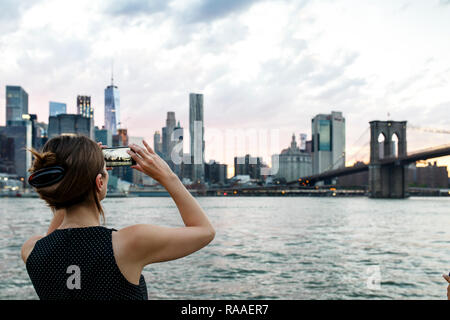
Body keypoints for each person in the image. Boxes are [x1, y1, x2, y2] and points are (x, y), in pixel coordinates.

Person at [21, 134, 215, 300]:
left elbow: (55, 237)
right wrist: (167, 176)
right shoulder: (130, 243)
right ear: (99, 182)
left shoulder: (32, 251)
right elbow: (205, 231)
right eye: (103, 173)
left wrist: (82, 173)